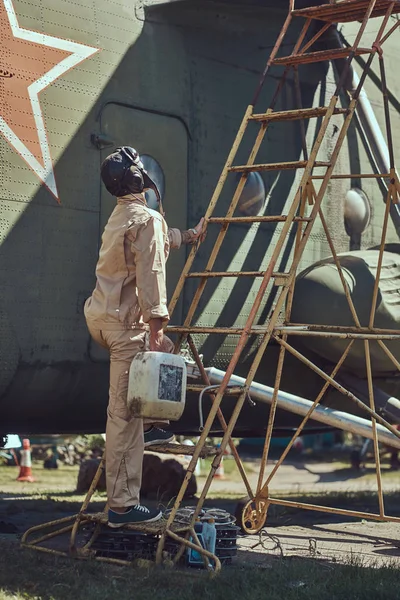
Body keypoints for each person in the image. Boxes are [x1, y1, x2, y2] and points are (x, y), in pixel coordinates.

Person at [84, 146, 205, 527]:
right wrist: (158, 330)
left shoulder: (122, 216)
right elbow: (152, 272)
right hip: (125, 327)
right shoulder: (146, 219)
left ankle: (149, 425)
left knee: (131, 409)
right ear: (138, 178)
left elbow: (156, 242)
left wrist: (187, 235)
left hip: (102, 319)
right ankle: (122, 506)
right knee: (122, 415)